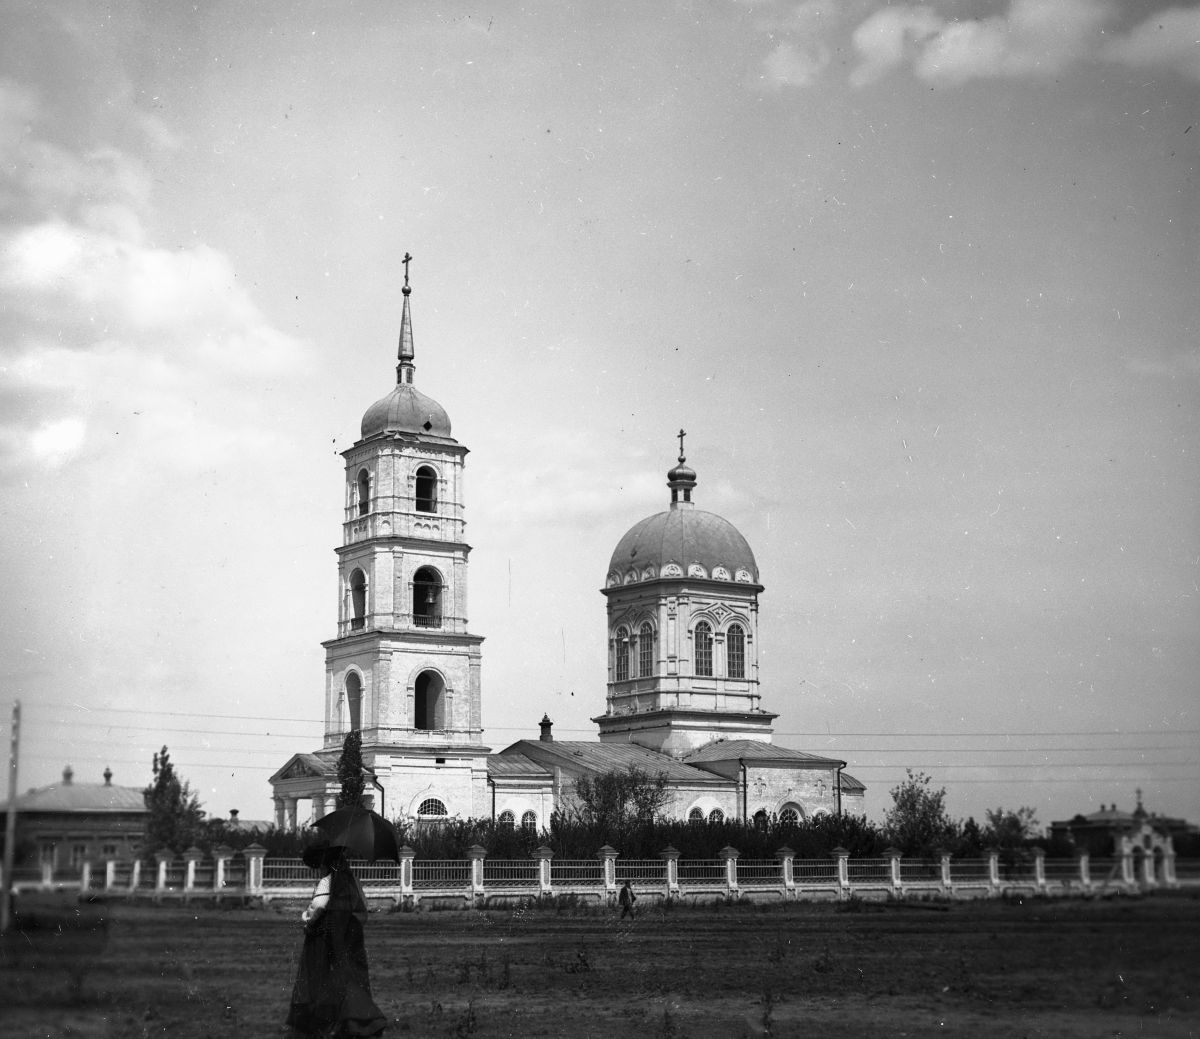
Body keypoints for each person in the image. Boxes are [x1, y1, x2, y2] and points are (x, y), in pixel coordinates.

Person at [286, 840, 387, 1038]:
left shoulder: (327, 881)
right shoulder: (351, 881)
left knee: (321, 979)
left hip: (324, 939)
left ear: (325, 863)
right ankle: (355, 1020)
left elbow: (318, 907)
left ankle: (326, 1023)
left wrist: (307, 919)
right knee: (348, 978)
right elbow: (361, 908)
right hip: (349, 938)